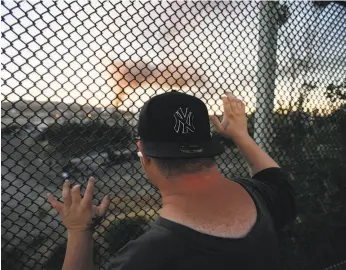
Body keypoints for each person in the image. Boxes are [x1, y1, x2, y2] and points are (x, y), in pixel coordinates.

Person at [47, 91, 296, 270]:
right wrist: (241, 136)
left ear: (142, 153)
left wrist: (79, 232)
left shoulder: (145, 257)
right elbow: (276, 179)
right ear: (208, 148)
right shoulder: (261, 197)